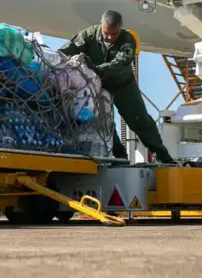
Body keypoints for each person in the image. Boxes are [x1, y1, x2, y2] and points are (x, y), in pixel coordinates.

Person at [58, 11, 176, 164]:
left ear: (121, 28)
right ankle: (120, 157)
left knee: (139, 121)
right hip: (98, 86)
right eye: (106, 33)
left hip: (123, 85)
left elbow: (121, 62)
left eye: (114, 34)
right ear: (101, 25)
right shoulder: (88, 35)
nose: (109, 37)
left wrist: (99, 69)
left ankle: (163, 157)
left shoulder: (127, 40)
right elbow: (65, 50)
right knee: (103, 123)